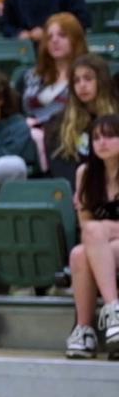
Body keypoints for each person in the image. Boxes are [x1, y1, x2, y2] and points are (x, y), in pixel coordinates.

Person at [66, 114, 119, 358]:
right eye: (96, 137)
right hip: (103, 245)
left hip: (109, 240)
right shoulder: (85, 173)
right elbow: (85, 225)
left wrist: (106, 229)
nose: (102, 142)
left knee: (96, 231)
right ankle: (84, 329)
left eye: (110, 136)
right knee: (78, 253)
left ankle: (113, 309)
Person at [47, 55, 118, 187]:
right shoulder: (59, 123)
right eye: (76, 80)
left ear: (102, 81)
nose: (82, 85)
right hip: (80, 191)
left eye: (88, 78)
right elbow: (61, 169)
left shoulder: (116, 118)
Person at [16, 12, 87, 129]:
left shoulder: (87, 76)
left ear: (76, 40)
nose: (54, 41)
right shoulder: (29, 76)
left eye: (62, 35)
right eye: (49, 37)